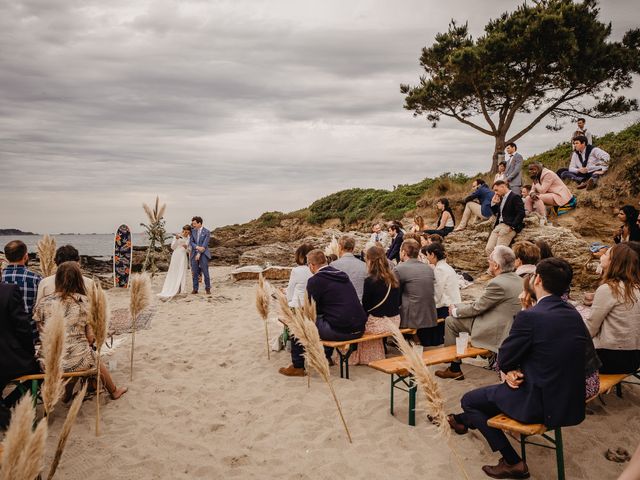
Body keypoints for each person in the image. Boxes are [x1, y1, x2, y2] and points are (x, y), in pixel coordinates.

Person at [446, 258, 590, 478]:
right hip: (569, 401)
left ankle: (512, 462)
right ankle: (461, 420)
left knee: (470, 400)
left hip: (539, 403)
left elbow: (504, 358)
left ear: (538, 280)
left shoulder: (530, 316)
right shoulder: (573, 313)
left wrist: (524, 312)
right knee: (489, 398)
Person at [33, 262, 127, 399]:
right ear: (79, 280)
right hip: (78, 360)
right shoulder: (84, 302)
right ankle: (114, 391)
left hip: (49, 361)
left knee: (74, 357)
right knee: (93, 358)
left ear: (57, 279)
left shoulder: (43, 303)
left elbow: (41, 332)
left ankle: (67, 394)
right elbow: (90, 338)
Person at [436, 246, 522, 380]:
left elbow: (478, 308)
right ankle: (454, 364)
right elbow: (484, 303)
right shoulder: (519, 280)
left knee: (451, 321)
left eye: (490, 259)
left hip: (495, 330)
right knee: (457, 314)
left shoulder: (498, 283)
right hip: (505, 323)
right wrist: (459, 307)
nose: (488, 261)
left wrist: (455, 311)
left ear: (496, 265)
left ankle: (454, 367)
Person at [279, 250, 366, 377]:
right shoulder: (341, 275)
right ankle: (326, 357)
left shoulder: (315, 280)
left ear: (311, 265)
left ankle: (297, 366)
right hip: (359, 328)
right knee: (326, 318)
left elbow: (310, 310)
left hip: (341, 331)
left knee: (297, 324)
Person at [584, 244, 640, 374]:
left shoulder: (608, 289)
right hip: (634, 358)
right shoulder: (636, 287)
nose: (601, 255)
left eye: (605, 254)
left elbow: (590, 329)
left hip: (609, 358)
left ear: (613, 262)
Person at [350, 246, 401, 365]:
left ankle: (360, 356)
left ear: (369, 261)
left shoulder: (370, 281)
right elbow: (397, 302)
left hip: (380, 325)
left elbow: (366, 308)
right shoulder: (394, 277)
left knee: (355, 324)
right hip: (395, 321)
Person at [0, 283, 40, 429]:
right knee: (40, 373)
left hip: (8, 360)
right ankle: (7, 404)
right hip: (11, 359)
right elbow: (23, 328)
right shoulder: (8, 291)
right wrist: (29, 353)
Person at [393, 240, 437, 347]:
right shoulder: (428, 268)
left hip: (412, 316)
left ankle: (410, 339)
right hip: (430, 313)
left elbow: (394, 295)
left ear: (403, 252)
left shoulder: (399, 269)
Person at [2, 240, 42, 344]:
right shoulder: (36, 279)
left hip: (3, 336)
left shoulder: (1, 277)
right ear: (26, 256)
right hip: (30, 335)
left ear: (6, 257)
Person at [423, 243, 461, 345]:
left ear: (433, 255)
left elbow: (437, 293)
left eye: (427, 254)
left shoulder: (439, 269)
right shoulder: (446, 266)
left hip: (445, 306)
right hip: (451, 302)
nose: (427, 257)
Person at [485, 180, 525, 255]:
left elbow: (521, 213)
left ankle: (500, 266)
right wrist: (493, 203)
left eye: (496, 190)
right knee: (489, 249)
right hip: (498, 227)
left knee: (499, 251)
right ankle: (494, 266)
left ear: (503, 186)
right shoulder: (502, 198)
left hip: (508, 227)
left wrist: (512, 227)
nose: (495, 193)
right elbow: (496, 214)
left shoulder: (515, 196)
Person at [158, 225, 192, 299]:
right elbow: (172, 247)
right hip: (176, 255)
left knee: (183, 272)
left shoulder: (189, 238)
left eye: (188, 232)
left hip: (183, 256)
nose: (186, 233)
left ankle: (182, 289)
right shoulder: (177, 236)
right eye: (185, 232)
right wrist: (176, 240)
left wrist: (187, 248)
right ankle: (174, 287)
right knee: (175, 271)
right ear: (183, 230)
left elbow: (189, 250)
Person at [331, 236, 367, 302]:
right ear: (353, 248)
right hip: (359, 305)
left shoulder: (333, 265)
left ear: (340, 247)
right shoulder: (364, 265)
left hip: (340, 305)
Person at [285, 243, 315, 308]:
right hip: (313, 306)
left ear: (299, 256)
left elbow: (290, 293)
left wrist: (288, 301)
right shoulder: (317, 269)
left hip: (298, 305)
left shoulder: (296, 270)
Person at [189, 216, 211, 295]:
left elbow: (205, 244)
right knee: (195, 272)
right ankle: (195, 289)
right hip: (194, 254)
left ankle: (208, 288)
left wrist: (199, 253)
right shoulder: (192, 232)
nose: (193, 225)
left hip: (203, 254)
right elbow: (191, 242)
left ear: (199, 223)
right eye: (193, 224)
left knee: (205, 272)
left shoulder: (207, 232)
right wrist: (197, 247)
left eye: (194, 224)